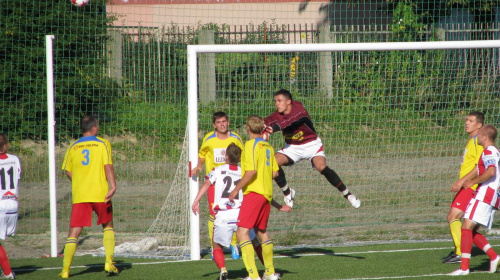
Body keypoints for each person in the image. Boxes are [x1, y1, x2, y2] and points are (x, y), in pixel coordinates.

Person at [262, 89, 360, 209]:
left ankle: (348, 195)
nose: (276, 103)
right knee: (273, 163)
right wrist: (262, 125)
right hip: (292, 147)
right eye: (275, 101)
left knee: (321, 167)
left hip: (312, 145)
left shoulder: (299, 111)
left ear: (288, 101)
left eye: (279, 101)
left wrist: (272, 129)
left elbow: (289, 122)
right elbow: (269, 120)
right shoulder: (278, 113)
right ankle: (288, 192)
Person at [59, 116, 118, 279]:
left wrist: (79, 182)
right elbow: (108, 165)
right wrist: (113, 185)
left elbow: (68, 171)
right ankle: (109, 261)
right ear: (94, 128)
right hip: (100, 192)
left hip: (80, 195)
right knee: (107, 225)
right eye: (97, 126)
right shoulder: (102, 143)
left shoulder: (73, 146)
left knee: (74, 232)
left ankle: (65, 270)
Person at [229, 115, 282, 280]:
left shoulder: (250, 145)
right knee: (261, 231)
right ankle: (270, 273)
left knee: (242, 232)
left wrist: (236, 189)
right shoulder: (268, 146)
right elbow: (275, 172)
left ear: (248, 128)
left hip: (254, 193)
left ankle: (253, 276)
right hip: (266, 194)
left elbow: (251, 172)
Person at [191, 112, 244, 260]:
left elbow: (243, 156)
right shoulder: (209, 139)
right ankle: (216, 247)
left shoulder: (236, 138)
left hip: (232, 181)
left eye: (224, 121)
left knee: (234, 212)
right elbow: (202, 154)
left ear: (228, 122)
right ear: (214, 125)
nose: (222, 124)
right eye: (219, 122)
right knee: (214, 214)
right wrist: (200, 165)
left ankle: (234, 244)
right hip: (215, 183)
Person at [448, 125, 500, 276]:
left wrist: (472, 181)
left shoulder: (489, 151)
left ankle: (464, 268)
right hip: (490, 195)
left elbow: (491, 171)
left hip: (485, 194)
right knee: (471, 230)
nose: (476, 136)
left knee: (466, 227)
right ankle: (494, 257)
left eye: (479, 134)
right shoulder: (495, 151)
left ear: (484, 137)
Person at [442, 111, 485, 264]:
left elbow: (480, 166)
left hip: (471, 185)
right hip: (468, 185)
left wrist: (462, 181)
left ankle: (460, 252)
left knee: (453, 217)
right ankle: (493, 256)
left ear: (479, 125)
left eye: (470, 120)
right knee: (468, 227)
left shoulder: (478, 142)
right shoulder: (472, 140)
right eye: (466, 120)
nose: (466, 123)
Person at [0, 134, 21, 279]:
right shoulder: (15, 159)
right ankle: (6, 271)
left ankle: (8, 273)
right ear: (6, 145)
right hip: (13, 205)